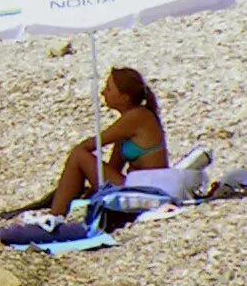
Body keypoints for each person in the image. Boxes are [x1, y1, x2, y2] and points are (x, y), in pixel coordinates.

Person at [50, 68, 166, 217]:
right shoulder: (129, 123)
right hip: (137, 187)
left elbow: (91, 145)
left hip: (146, 191)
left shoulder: (137, 117)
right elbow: (113, 168)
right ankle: (59, 211)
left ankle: (55, 215)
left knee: (79, 155)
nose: (103, 93)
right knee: (80, 157)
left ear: (124, 98)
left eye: (109, 89)